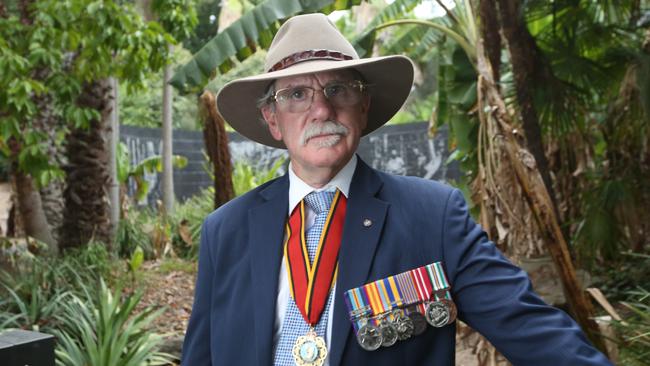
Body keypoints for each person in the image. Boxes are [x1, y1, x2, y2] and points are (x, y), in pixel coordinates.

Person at [181, 13, 612, 366]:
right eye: (296, 94)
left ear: (364, 105)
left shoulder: (432, 215)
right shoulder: (226, 229)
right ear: (273, 120)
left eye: (339, 89)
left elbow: (530, 329)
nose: (321, 109)